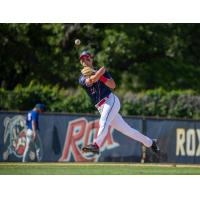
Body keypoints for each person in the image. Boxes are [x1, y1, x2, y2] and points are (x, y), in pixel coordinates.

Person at [79, 50, 160, 155]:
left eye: (87, 58)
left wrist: (101, 75)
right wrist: (97, 73)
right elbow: (92, 80)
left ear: (91, 59)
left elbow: (113, 85)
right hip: (101, 107)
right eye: (83, 60)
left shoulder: (101, 72)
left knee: (103, 121)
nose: (85, 61)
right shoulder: (82, 78)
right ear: (81, 63)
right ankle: (150, 142)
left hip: (110, 100)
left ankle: (96, 145)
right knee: (128, 131)